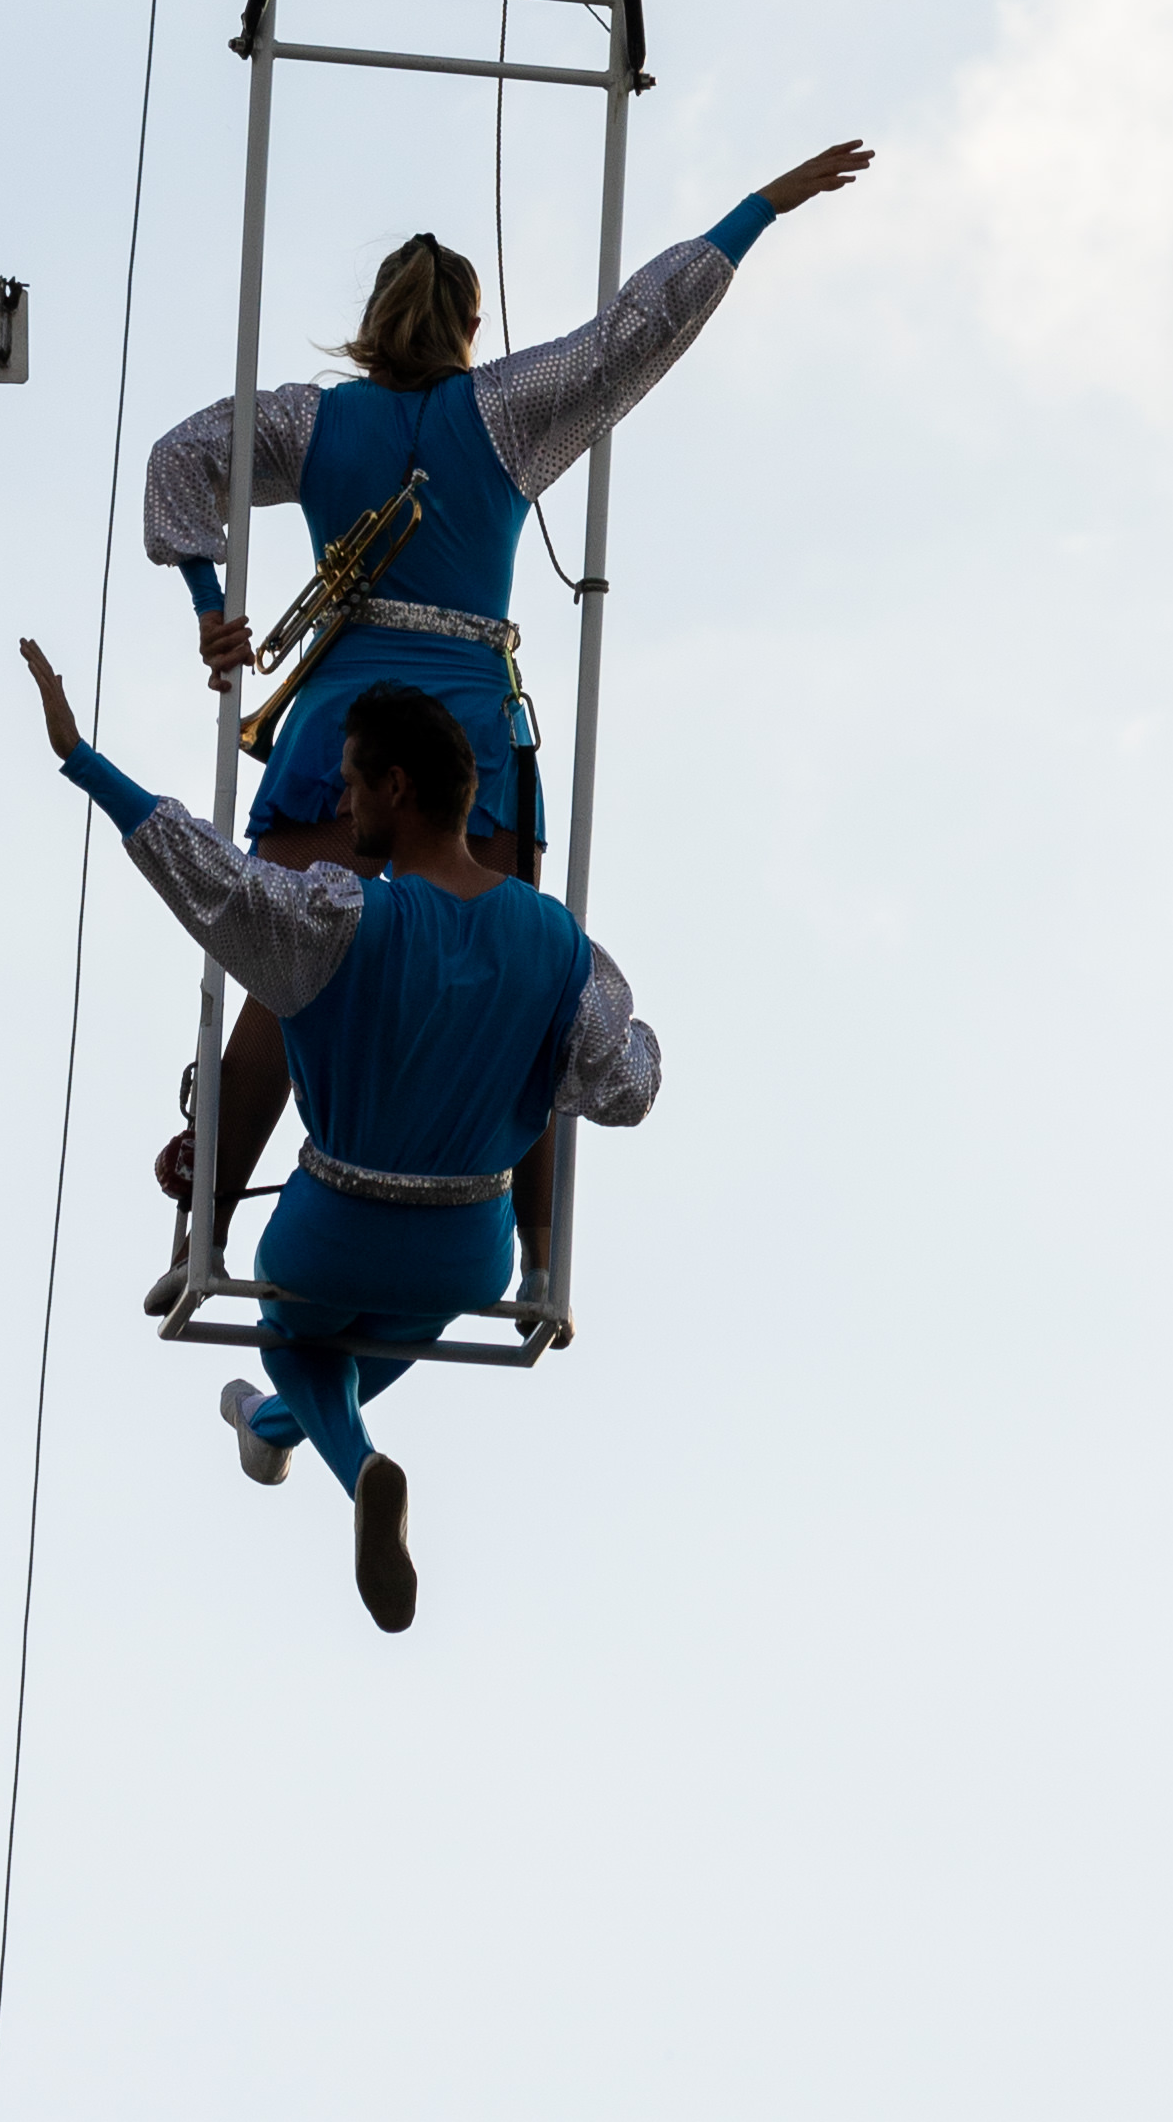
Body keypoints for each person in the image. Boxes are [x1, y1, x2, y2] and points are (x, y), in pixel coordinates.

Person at [140, 139, 872, 1317]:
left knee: (281, 981)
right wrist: (759, 208)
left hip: (336, 733)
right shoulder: (507, 410)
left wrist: (209, 604)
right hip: (469, 735)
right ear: (470, 327)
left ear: (370, 320)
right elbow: (639, 330)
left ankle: (205, 1232)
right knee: (527, 989)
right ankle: (536, 1260)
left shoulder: (310, 422)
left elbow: (183, 455)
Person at [20, 634, 657, 1634]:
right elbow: (626, 1088)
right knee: (347, 1354)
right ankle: (270, 1430)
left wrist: (80, 758)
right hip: (464, 1255)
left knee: (294, 1335)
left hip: (333, 1235)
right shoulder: (556, 943)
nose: (343, 802)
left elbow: (205, 875)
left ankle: (354, 1465)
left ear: (396, 787)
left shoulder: (337, 919)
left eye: (352, 782)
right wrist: (595, 1023)